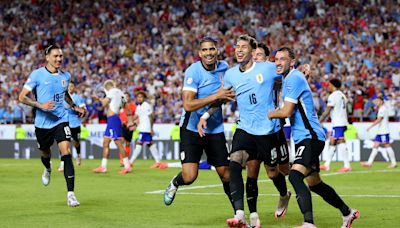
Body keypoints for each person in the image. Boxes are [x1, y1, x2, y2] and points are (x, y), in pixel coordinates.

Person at [199, 35, 290, 228]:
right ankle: (240, 213)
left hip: (266, 130)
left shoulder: (266, 67)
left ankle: (284, 194)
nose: (239, 50)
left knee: (274, 173)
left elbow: (288, 73)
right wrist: (205, 116)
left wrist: (302, 70)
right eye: (237, 47)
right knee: (234, 163)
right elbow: (223, 97)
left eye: (243, 47)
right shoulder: (231, 74)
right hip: (244, 128)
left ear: (252, 50)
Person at [268, 47, 360, 228]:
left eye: (283, 59)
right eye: (276, 59)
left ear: (292, 62)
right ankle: (348, 213)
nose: (278, 62)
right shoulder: (290, 78)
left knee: (294, 177)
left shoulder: (293, 78)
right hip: (307, 137)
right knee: (315, 184)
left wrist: (270, 115)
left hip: (310, 137)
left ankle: (309, 223)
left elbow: (286, 112)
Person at [163, 37, 235, 213]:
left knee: (226, 174)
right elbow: (188, 105)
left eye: (212, 49)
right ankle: (175, 182)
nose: (209, 53)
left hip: (215, 128)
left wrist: (219, 101)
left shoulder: (225, 68)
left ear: (217, 50)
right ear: (199, 53)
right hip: (191, 128)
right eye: (205, 50)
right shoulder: (193, 72)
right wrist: (216, 96)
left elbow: (226, 96)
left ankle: (238, 214)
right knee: (190, 176)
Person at [18, 44, 86, 207]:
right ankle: (47, 168)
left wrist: (74, 106)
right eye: (55, 56)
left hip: (61, 120)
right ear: (47, 57)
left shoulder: (66, 76)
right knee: (45, 153)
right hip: (42, 123)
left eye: (60, 56)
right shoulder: (37, 75)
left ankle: (71, 194)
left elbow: (65, 95)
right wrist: (40, 105)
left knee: (66, 151)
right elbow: (22, 97)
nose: (58, 59)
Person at [93, 80, 134, 174]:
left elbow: (103, 104)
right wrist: (130, 122)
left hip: (113, 120)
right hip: (114, 120)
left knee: (118, 143)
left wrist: (98, 100)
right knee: (106, 142)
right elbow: (127, 109)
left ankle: (127, 166)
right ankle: (103, 167)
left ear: (107, 88)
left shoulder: (111, 92)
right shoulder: (121, 93)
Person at [319, 79, 352, 172]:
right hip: (341, 121)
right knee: (334, 141)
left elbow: (327, 110)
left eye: (328, 85)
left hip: (338, 122)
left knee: (339, 141)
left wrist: (319, 121)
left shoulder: (333, 96)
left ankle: (347, 165)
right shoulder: (342, 95)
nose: (327, 86)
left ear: (333, 85)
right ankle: (327, 164)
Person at [128, 91, 166, 169]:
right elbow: (136, 116)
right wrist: (130, 121)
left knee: (139, 144)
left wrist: (151, 128)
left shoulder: (146, 105)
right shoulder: (138, 107)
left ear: (144, 98)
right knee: (150, 144)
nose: (139, 98)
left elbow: (151, 117)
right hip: (142, 127)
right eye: (138, 97)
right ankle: (158, 162)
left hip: (145, 128)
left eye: (141, 97)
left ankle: (130, 162)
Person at [361, 95, 397, 168]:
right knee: (375, 146)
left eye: (378, 101)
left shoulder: (382, 109)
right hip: (381, 131)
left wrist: (370, 126)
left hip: (384, 131)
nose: (376, 102)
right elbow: (374, 103)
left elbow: (379, 119)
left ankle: (394, 163)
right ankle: (369, 163)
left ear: (381, 101)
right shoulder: (381, 108)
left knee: (387, 146)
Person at [58, 82, 86, 172]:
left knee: (76, 142)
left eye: (71, 86)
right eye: (68, 86)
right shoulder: (62, 97)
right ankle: (62, 164)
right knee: (64, 143)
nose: (70, 88)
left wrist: (81, 112)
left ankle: (78, 155)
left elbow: (84, 110)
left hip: (75, 123)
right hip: (64, 122)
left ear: (74, 88)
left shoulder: (78, 98)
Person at [119, 91, 137, 166]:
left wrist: (133, 124)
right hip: (122, 126)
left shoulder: (132, 106)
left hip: (129, 126)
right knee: (121, 142)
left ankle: (127, 159)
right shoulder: (120, 106)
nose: (126, 98)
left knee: (128, 144)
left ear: (129, 97)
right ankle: (122, 160)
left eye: (127, 96)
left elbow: (136, 115)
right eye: (124, 97)